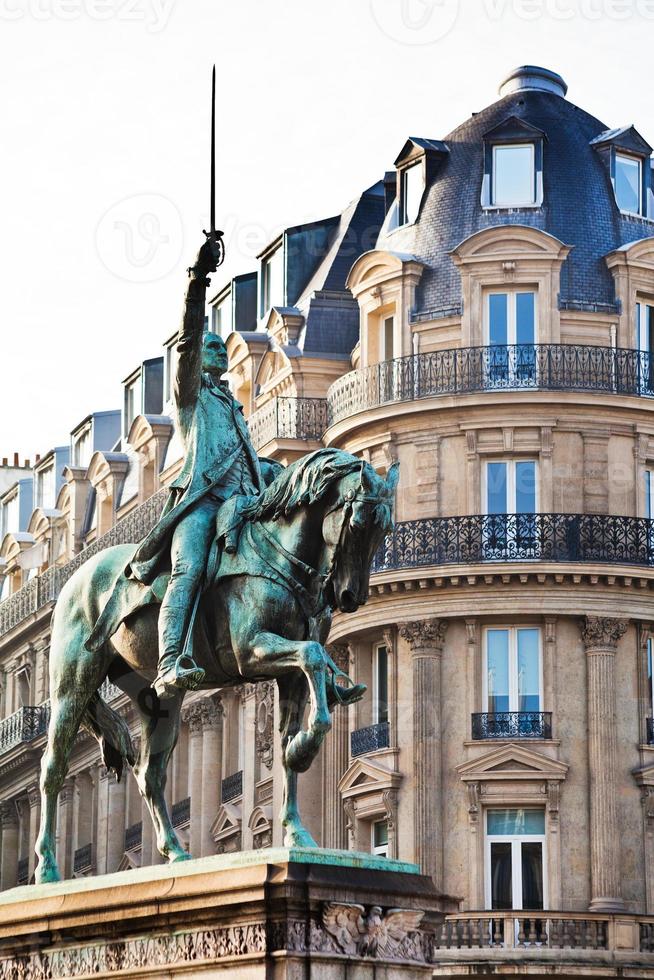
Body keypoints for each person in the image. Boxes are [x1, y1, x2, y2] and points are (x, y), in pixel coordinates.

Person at [127, 236, 264, 699]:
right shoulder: (192, 397)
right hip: (201, 504)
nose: (219, 353)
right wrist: (199, 279)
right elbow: (188, 335)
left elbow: (248, 460)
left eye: (222, 349)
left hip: (244, 502)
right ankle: (169, 661)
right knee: (188, 569)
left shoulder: (234, 408)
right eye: (211, 348)